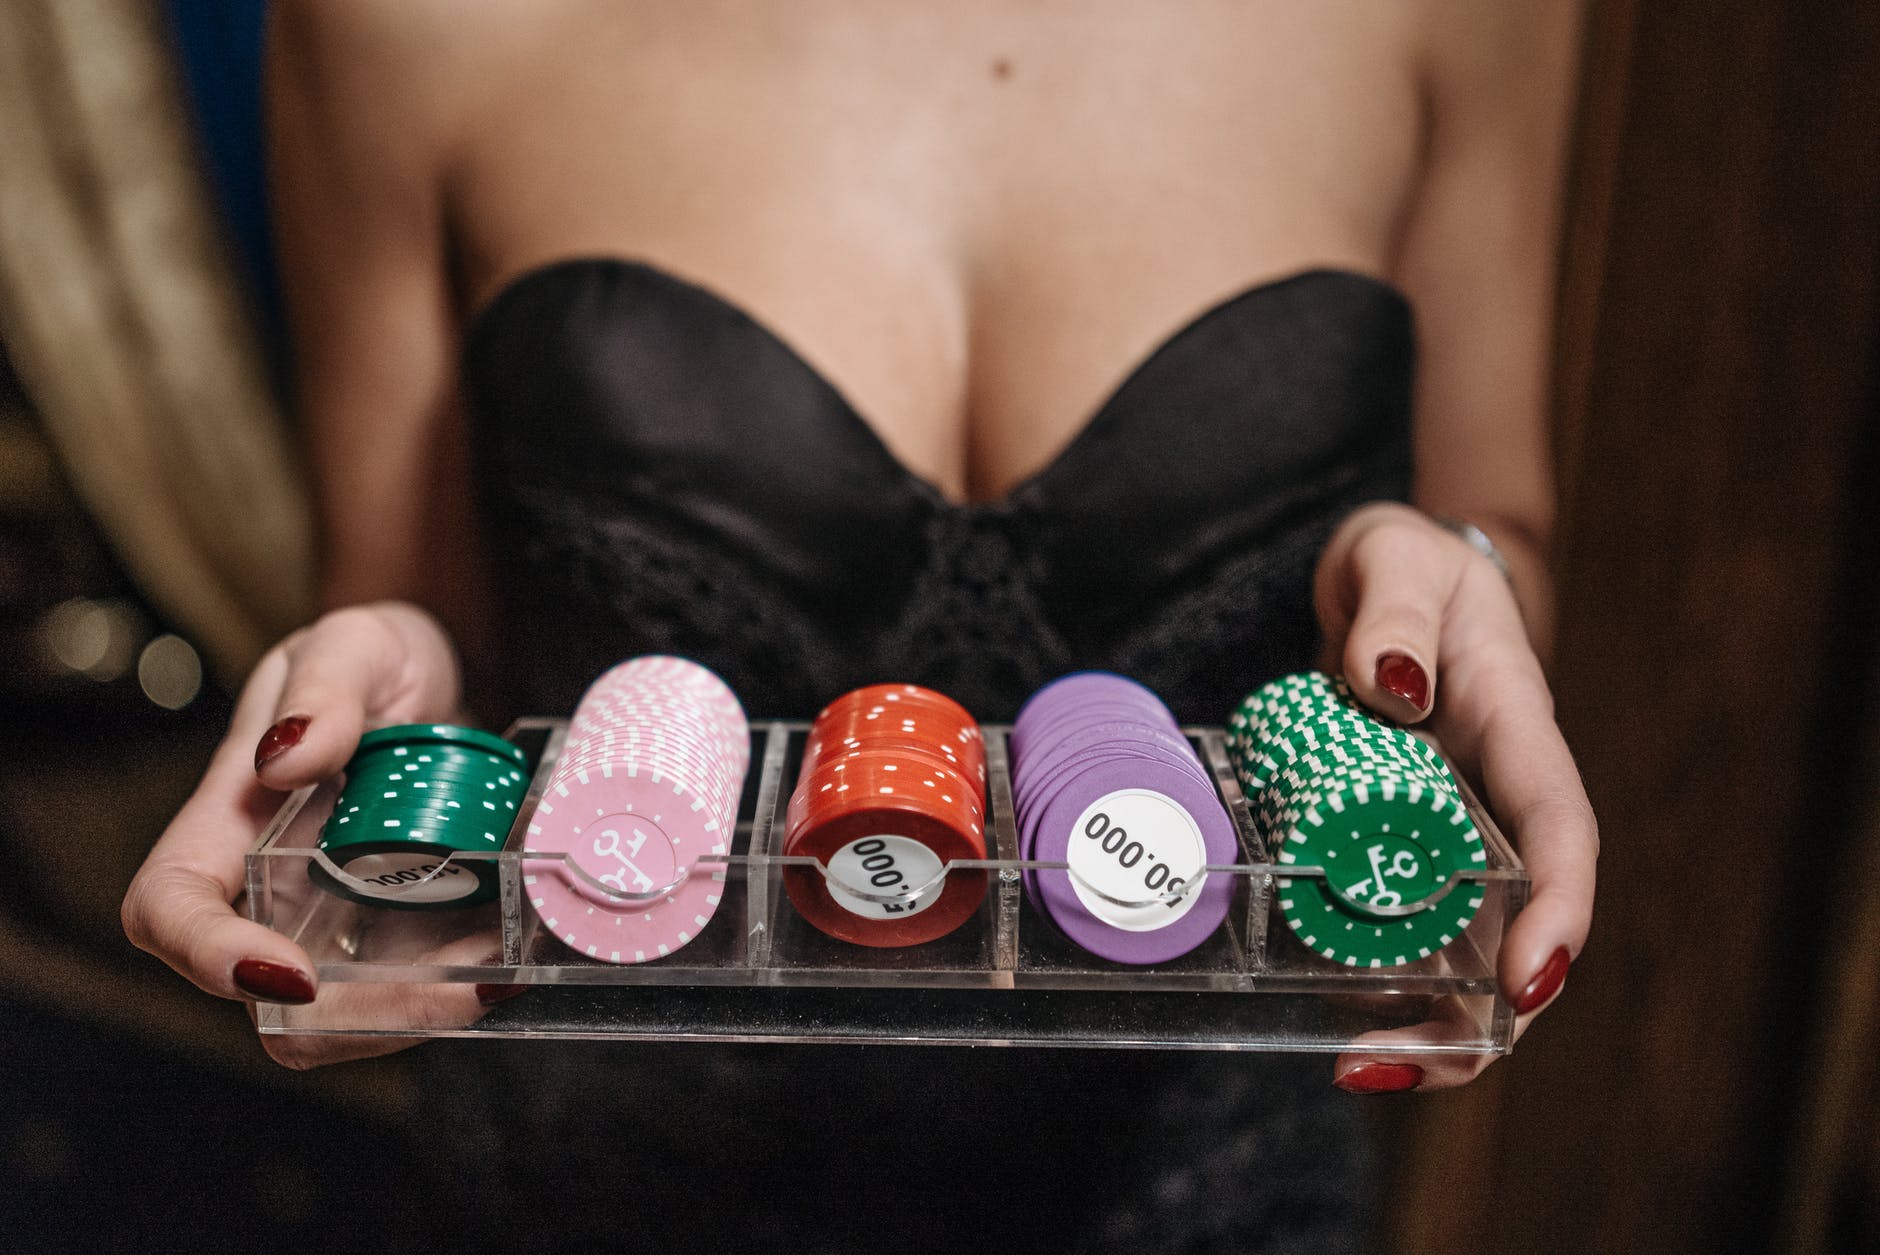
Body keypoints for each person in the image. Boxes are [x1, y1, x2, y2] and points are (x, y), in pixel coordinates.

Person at [123, 2, 1596, 1249]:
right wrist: (367, 701)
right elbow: (422, 619)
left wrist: (1447, 570)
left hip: (1218, 1193)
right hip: (603, 1191)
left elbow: (1496, 528)